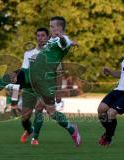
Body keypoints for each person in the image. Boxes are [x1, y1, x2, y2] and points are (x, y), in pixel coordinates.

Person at [24, 16, 81, 147]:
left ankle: (72, 129)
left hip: (48, 81)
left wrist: (63, 38)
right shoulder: (52, 40)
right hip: (41, 80)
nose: (50, 28)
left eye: (51, 26)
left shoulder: (61, 39)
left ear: (58, 28)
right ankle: (35, 138)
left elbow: (64, 42)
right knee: (40, 108)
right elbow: (66, 43)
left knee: (51, 112)